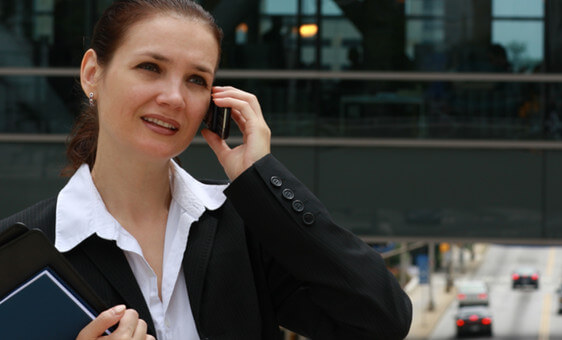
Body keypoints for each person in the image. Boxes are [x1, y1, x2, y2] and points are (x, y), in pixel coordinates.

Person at [0, 0, 412, 339]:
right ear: (93, 73)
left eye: (196, 79)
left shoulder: (246, 226)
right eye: (150, 67)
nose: (174, 97)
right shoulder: (22, 255)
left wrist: (265, 179)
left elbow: (382, 320)